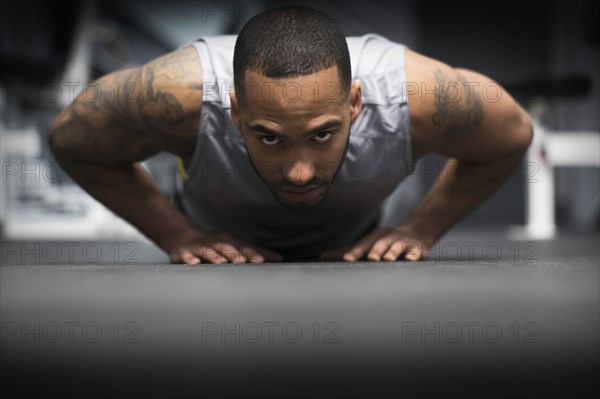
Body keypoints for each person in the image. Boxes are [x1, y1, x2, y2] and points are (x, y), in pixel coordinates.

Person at [48, 6, 532, 264]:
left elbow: (512, 135)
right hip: (214, 254)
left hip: (355, 248)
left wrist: (422, 229)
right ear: (234, 111)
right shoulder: (177, 95)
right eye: (271, 137)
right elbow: (71, 140)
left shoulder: (420, 96)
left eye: (322, 135)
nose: (300, 172)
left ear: (356, 104)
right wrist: (177, 235)